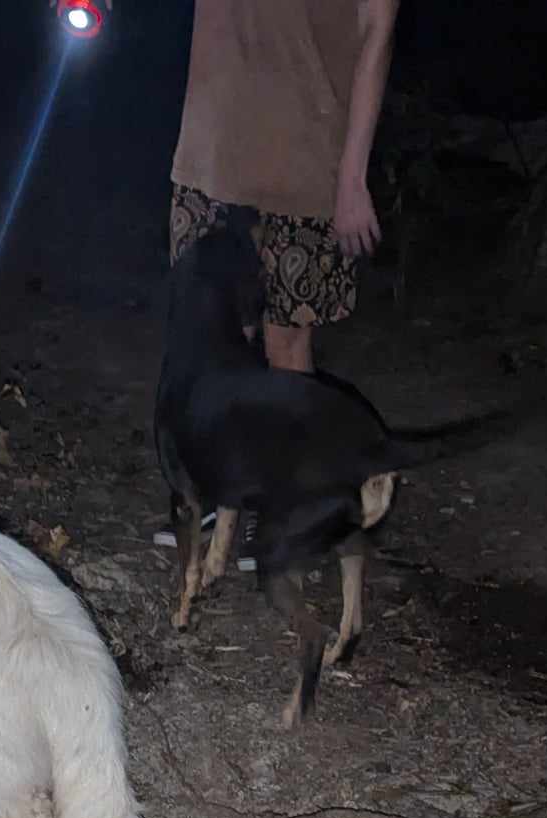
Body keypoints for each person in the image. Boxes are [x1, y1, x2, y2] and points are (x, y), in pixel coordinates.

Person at [155, 0, 402, 563]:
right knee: (208, 336)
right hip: (210, 148)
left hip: (304, 157)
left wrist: (353, 177)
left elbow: (376, 31)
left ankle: (292, 512)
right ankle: (219, 495)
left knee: (286, 343)